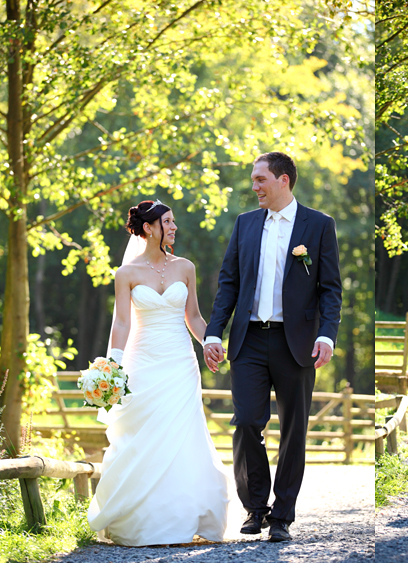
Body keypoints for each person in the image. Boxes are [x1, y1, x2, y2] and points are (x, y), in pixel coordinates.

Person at [203, 151, 342, 542]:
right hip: (248, 341)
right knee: (247, 422)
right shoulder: (245, 224)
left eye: (260, 179)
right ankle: (255, 507)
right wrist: (215, 332)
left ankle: (282, 515)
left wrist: (326, 334)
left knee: (294, 429)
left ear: (283, 180)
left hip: (295, 343)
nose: (254, 186)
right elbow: (228, 282)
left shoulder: (318, 225)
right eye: (253, 179)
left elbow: (331, 289)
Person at [88, 200, 230, 546]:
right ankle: (142, 522)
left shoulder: (185, 268)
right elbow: (121, 322)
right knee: (144, 436)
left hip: (181, 362)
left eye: (174, 220)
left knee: (183, 436)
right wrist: (113, 366)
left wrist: (209, 340)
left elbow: (193, 317)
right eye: (168, 221)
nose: (174, 226)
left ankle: (182, 518)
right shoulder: (127, 274)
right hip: (143, 362)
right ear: (149, 228)